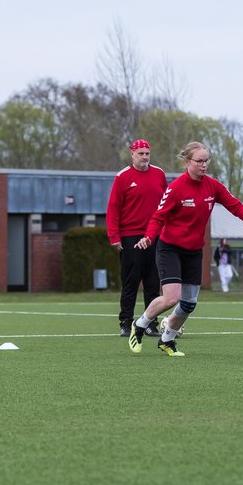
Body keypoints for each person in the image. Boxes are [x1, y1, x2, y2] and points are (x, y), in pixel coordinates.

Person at [128, 142, 243, 357]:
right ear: (188, 162)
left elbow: (234, 204)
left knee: (189, 304)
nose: (204, 165)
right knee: (172, 298)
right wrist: (149, 238)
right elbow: (158, 217)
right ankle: (140, 325)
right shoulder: (176, 188)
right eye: (199, 161)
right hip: (170, 249)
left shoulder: (212, 186)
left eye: (206, 160)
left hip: (193, 252)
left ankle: (167, 340)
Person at [106, 138, 166, 337]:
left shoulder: (159, 174)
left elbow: (166, 206)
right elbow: (113, 209)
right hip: (131, 236)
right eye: (141, 153)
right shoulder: (123, 177)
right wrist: (114, 236)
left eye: (147, 153)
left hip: (155, 236)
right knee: (131, 282)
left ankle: (150, 323)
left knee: (153, 282)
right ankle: (126, 322)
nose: (145, 157)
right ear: (132, 154)